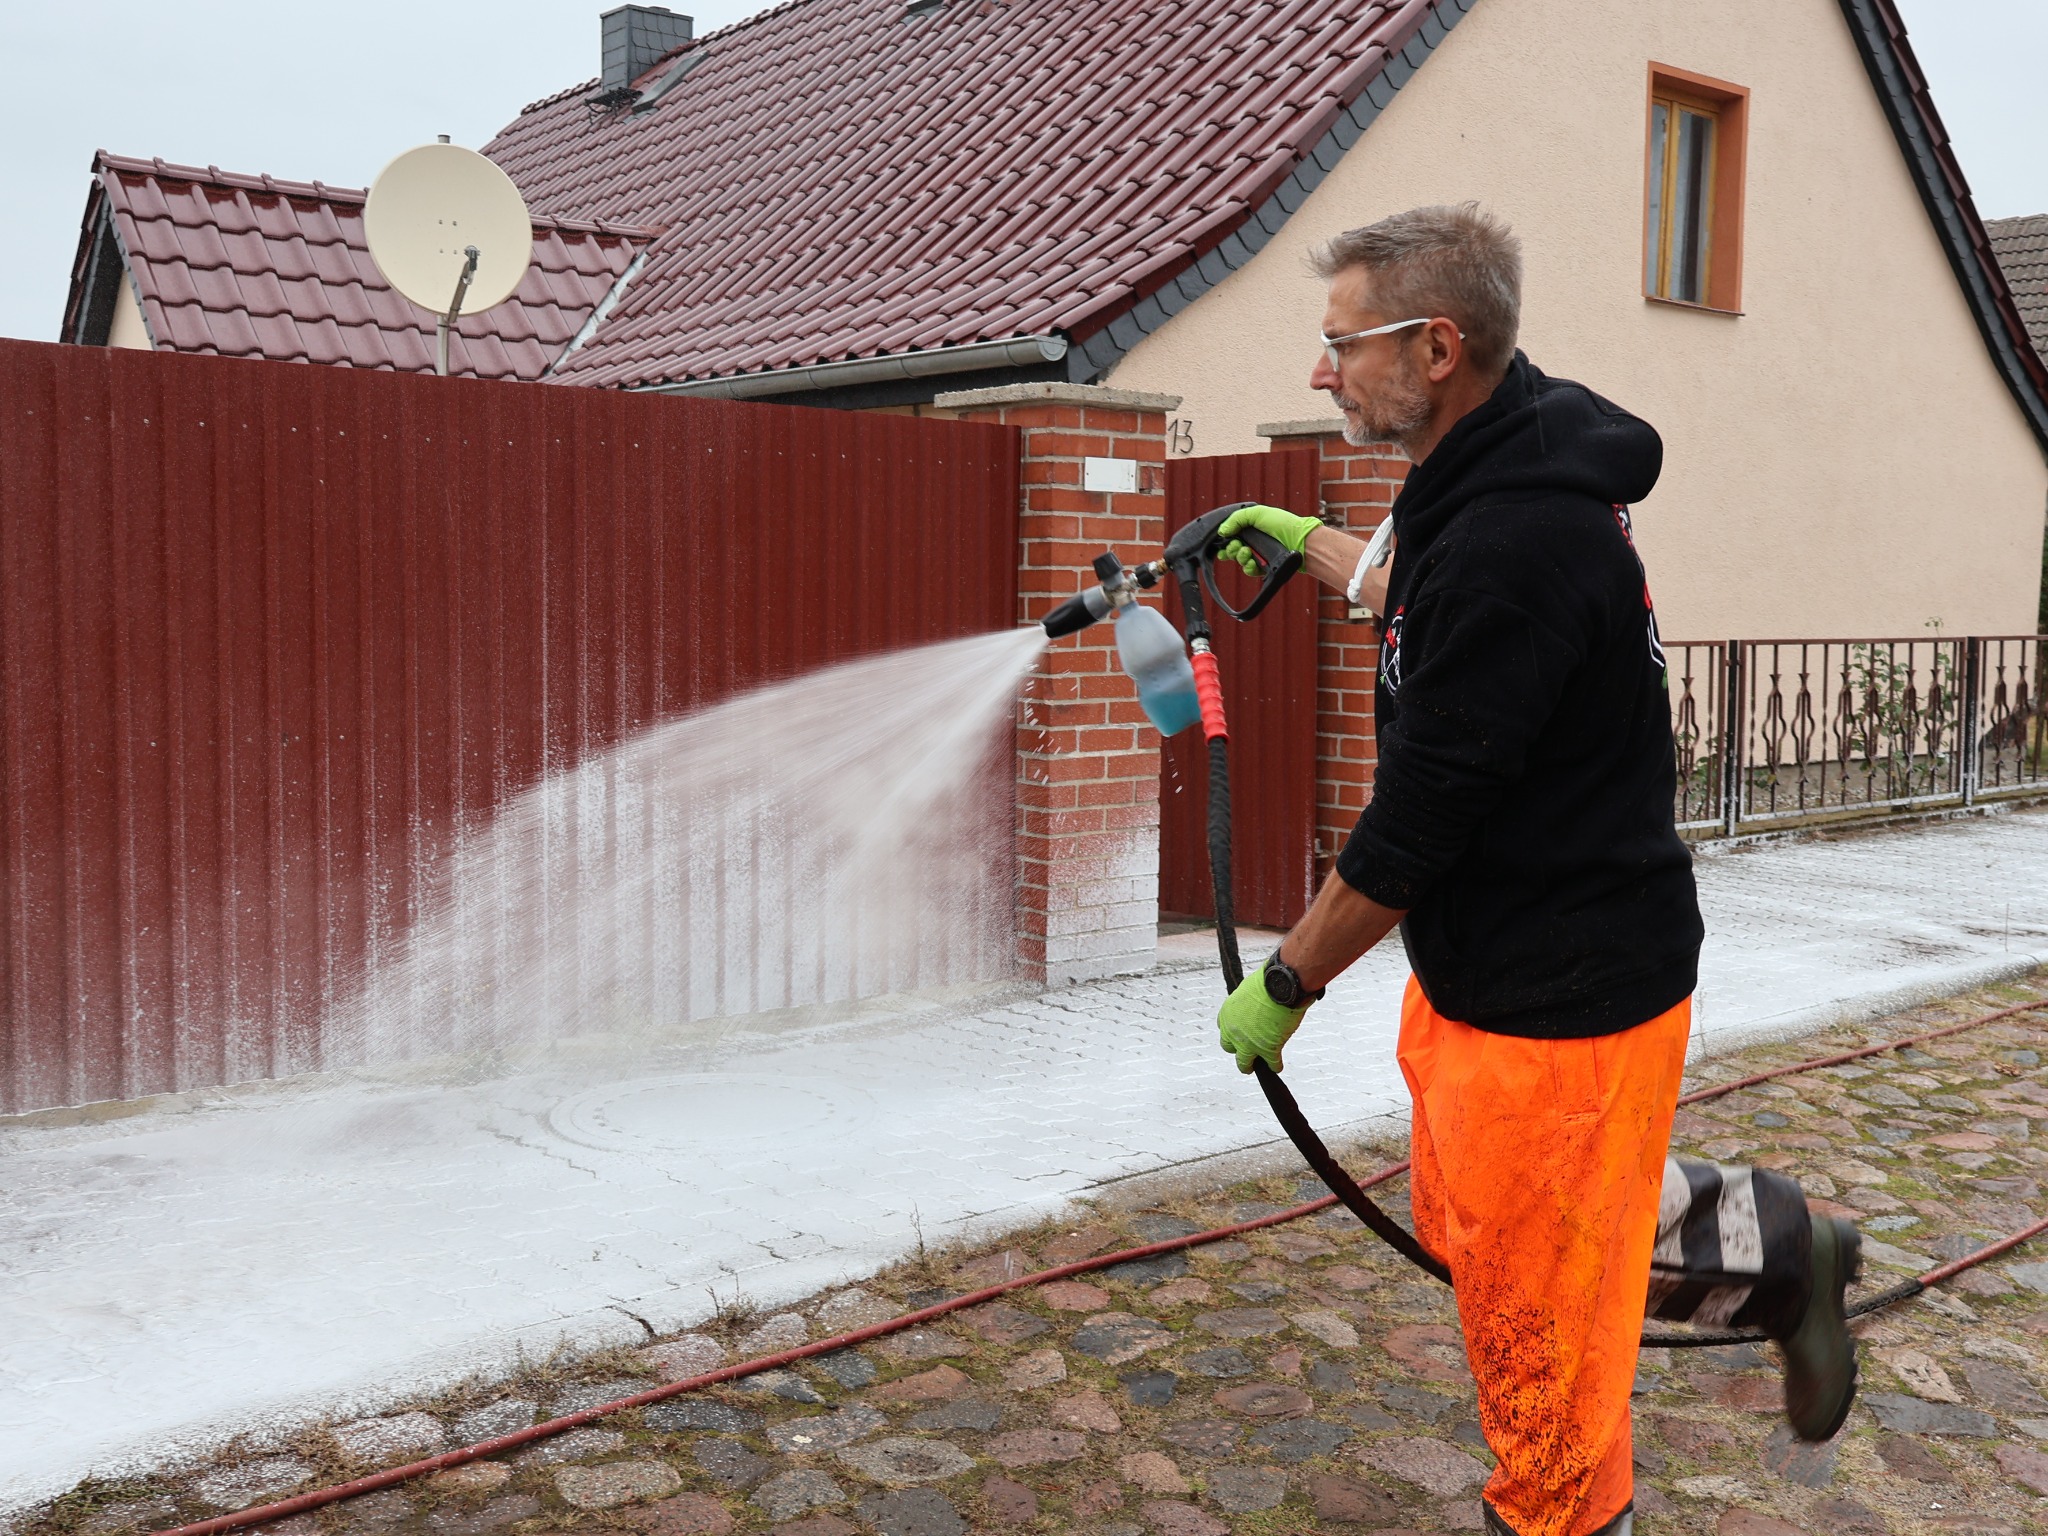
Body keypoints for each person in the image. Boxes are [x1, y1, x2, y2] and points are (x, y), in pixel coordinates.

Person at [1208, 204, 1859, 1536]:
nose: (1318, 372)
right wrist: (1303, 541)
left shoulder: (1519, 536)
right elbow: (1422, 598)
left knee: (1543, 1372)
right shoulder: (1502, 461)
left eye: (1341, 346)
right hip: (1493, 976)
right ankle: (1780, 1253)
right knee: (1478, 1221)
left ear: (1436, 345)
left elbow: (1411, 830)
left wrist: (1287, 979)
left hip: (1561, 1002)